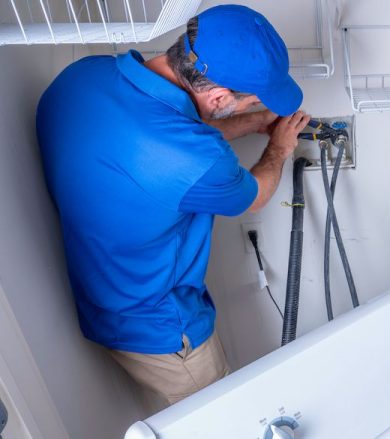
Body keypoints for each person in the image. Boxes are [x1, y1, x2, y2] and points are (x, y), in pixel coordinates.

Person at [36, 5, 309, 405]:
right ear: (219, 96)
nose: (252, 108)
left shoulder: (81, 77)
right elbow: (255, 195)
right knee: (222, 419)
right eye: (251, 103)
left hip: (104, 296)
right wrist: (280, 148)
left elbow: (171, 133)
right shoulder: (199, 159)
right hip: (163, 330)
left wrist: (252, 122)